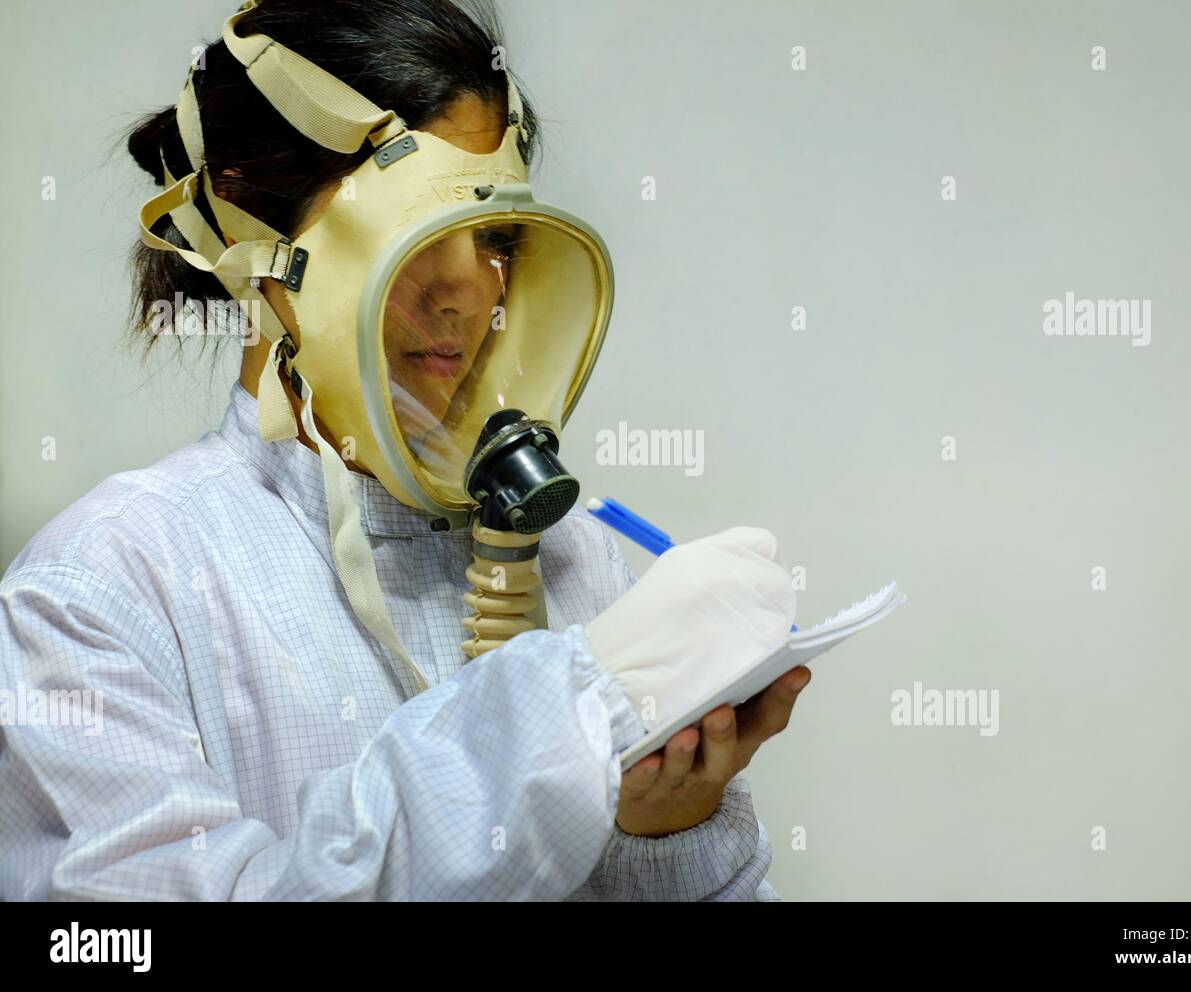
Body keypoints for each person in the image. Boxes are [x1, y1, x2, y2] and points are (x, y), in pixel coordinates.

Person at [0, 0, 809, 901]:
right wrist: (569, 711)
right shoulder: (104, 588)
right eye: (415, 233)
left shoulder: (575, 553)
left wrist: (667, 837)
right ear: (246, 239)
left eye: (496, 238)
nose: (470, 293)